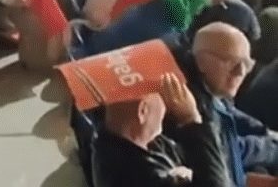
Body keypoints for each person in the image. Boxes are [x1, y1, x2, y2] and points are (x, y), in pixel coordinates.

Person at [174, 22, 278, 185]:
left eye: (247, 64)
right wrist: (271, 147)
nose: (240, 72)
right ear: (201, 61)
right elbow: (221, 165)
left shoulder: (215, 95)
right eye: (231, 61)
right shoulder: (195, 110)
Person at [92, 73, 232, 187]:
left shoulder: (115, 144)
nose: (167, 109)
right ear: (143, 111)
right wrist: (191, 120)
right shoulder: (135, 175)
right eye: (164, 99)